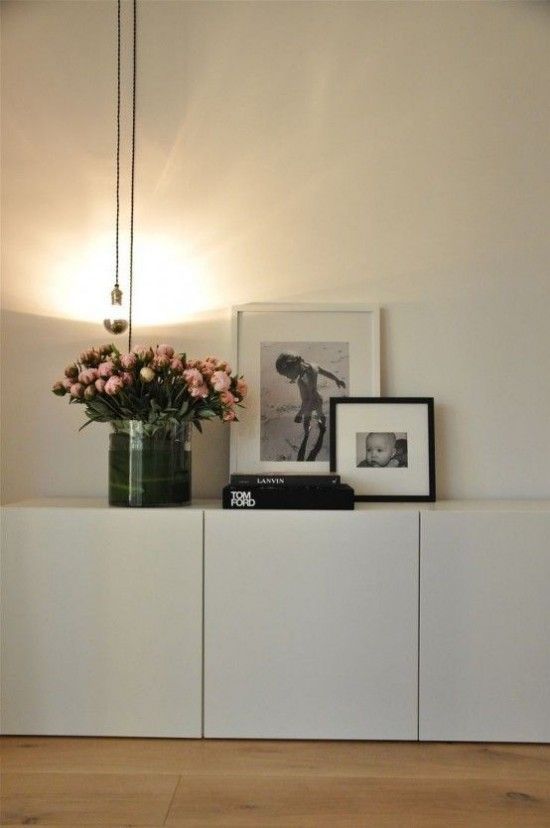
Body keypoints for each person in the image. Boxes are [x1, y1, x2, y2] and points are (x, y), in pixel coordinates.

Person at [275, 352, 346, 461]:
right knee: (318, 414)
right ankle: (319, 426)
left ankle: (313, 430)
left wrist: (299, 413)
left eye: (287, 374)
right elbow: (325, 372)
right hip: (315, 399)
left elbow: (309, 399)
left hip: (311, 402)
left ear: (294, 366)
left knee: (309, 418)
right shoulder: (312, 366)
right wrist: (337, 379)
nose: (287, 377)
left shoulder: (306, 378)